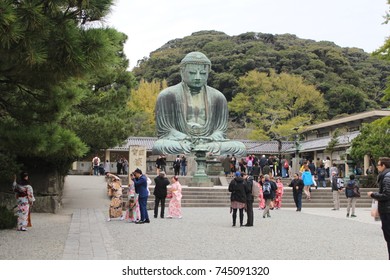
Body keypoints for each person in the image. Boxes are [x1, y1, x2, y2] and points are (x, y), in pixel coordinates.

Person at [152, 51, 246, 156]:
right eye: (192, 73)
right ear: (182, 72)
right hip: (182, 142)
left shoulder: (218, 97)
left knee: (239, 147)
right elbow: (166, 130)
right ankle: (201, 150)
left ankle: (203, 149)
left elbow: (221, 131)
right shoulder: (168, 95)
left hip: (210, 142)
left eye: (202, 73)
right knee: (160, 146)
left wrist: (210, 138)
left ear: (208, 73)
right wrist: (187, 138)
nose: (198, 77)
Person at [368, 157, 390, 259]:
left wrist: (373, 194)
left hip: (387, 210)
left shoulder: (386, 177)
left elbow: (386, 195)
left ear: (383, 165)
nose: (377, 166)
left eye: (378, 164)